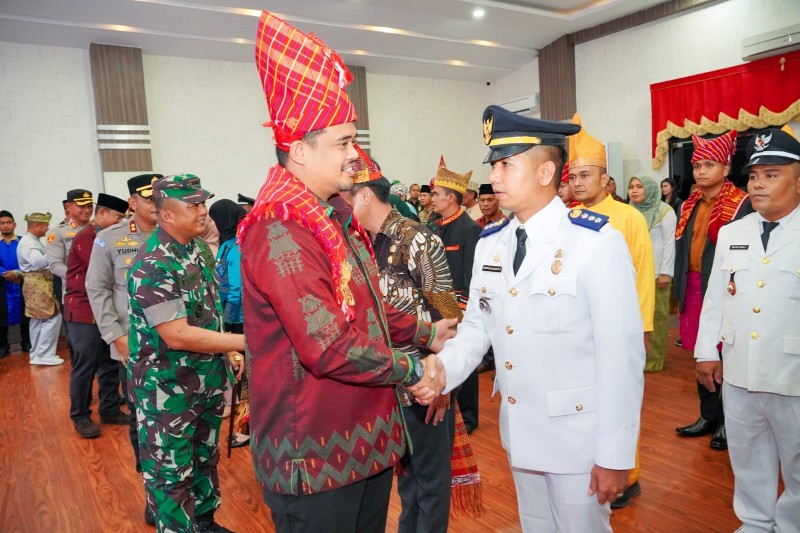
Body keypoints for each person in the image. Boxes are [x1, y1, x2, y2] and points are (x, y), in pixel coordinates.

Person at [239, 12, 454, 532]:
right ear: (298, 149)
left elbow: (365, 312)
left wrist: (427, 331)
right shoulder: (282, 231)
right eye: (342, 142)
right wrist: (413, 368)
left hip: (362, 446)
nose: (354, 156)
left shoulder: (330, 218)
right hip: (314, 460)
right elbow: (329, 344)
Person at [435, 104, 644, 532]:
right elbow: (477, 326)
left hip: (578, 439)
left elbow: (621, 356)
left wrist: (616, 453)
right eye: (494, 165)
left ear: (546, 173)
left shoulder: (595, 243)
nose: (494, 177)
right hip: (521, 431)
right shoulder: (491, 243)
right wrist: (438, 370)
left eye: (506, 165)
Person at [348, 145, 475, 532]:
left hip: (424, 383)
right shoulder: (360, 245)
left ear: (365, 195)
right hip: (384, 383)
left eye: (344, 196)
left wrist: (445, 384)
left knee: (431, 482)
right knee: (405, 480)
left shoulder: (417, 239)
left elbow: (449, 317)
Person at [694, 125, 800, 532]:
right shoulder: (734, 232)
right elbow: (716, 296)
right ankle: (756, 521)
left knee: (796, 456)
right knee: (747, 451)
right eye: (754, 176)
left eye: (772, 175)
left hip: (791, 369)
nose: (758, 184)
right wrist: (706, 351)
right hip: (739, 367)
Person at [128, 174, 245, 533]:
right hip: (168, 391)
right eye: (192, 205)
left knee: (204, 461)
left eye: (202, 203)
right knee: (171, 474)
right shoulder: (152, 264)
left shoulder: (195, 250)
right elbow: (176, 335)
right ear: (166, 215)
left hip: (205, 381)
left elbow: (207, 312)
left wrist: (227, 352)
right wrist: (246, 342)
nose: (202, 211)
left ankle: (205, 523)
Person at [568, 113, 654, 507]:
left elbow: (643, 275)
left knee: (620, 400)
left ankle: (629, 475)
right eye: (573, 176)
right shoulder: (566, 218)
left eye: (586, 175)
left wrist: (642, 328)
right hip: (577, 330)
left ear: (606, 178)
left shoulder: (629, 218)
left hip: (620, 329)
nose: (578, 183)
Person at [86, 173, 162, 525]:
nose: (156, 204)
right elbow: (97, 289)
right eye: (149, 198)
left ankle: (184, 489)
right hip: (133, 346)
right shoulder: (110, 239)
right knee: (144, 422)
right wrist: (115, 335)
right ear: (133, 202)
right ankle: (154, 491)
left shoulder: (175, 234)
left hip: (179, 344)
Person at [673, 130, 752, 451]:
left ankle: (726, 421)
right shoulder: (690, 203)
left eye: (709, 164)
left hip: (724, 291)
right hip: (693, 286)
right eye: (697, 166)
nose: (701, 171)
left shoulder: (742, 204)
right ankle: (708, 415)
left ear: (726, 166)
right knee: (702, 352)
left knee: (726, 355)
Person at [64, 193, 130, 438]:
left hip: (104, 311)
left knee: (110, 362)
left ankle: (110, 408)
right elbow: (105, 274)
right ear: (101, 213)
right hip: (84, 313)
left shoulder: (104, 236)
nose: (120, 222)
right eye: (117, 217)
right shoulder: (89, 238)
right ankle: (80, 415)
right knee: (86, 366)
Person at [431, 161, 482, 434]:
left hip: (460, 305)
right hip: (440, 302)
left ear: (451, 197)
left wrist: (460, 311)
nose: (433, 198)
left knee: (466, 358)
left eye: (437, 194)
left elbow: (472, 274)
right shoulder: (437, 226)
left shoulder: (469, 229)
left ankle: (470, 416)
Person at [207, 199, 250, 448]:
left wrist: (226, 319)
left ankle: (245, 428)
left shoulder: (237, 245)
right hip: (231, 318)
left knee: (246, 379)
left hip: (240, 321)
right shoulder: (227, 244)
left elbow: (235, 290)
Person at [628, 176, 676, 372]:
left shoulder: (664, 211)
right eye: (631, 187)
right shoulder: (629, 211)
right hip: (633, 274)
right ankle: (635, 357)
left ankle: (654, 359)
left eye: (639, 187)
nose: (634, 191)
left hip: (656, 274)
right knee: (633, 317)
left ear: (649, 189)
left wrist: (665, 272)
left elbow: (669, 242)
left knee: (656, 318)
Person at [17, 212, 63, 366]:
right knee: (52, 316)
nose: (47, 228)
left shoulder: (30, 240)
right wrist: (54, 250)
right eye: (45, 225)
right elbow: (37, 262)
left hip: (36, 282)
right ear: (36, 225)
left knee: (38, 319)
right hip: (38, 283)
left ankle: (37, 353)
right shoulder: (29, 243)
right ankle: (44, 354)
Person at [0, 210, 29, 356]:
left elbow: (27, 261)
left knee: (26, 313)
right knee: (1, 314)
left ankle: (27, 343)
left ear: (14, 224)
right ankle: (3, 347)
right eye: (2, 223)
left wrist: (16, 273)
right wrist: (4, 273)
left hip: (21, 282)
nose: (6, 226)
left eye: (8, 222)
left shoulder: (23, 241)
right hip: (2, 284)